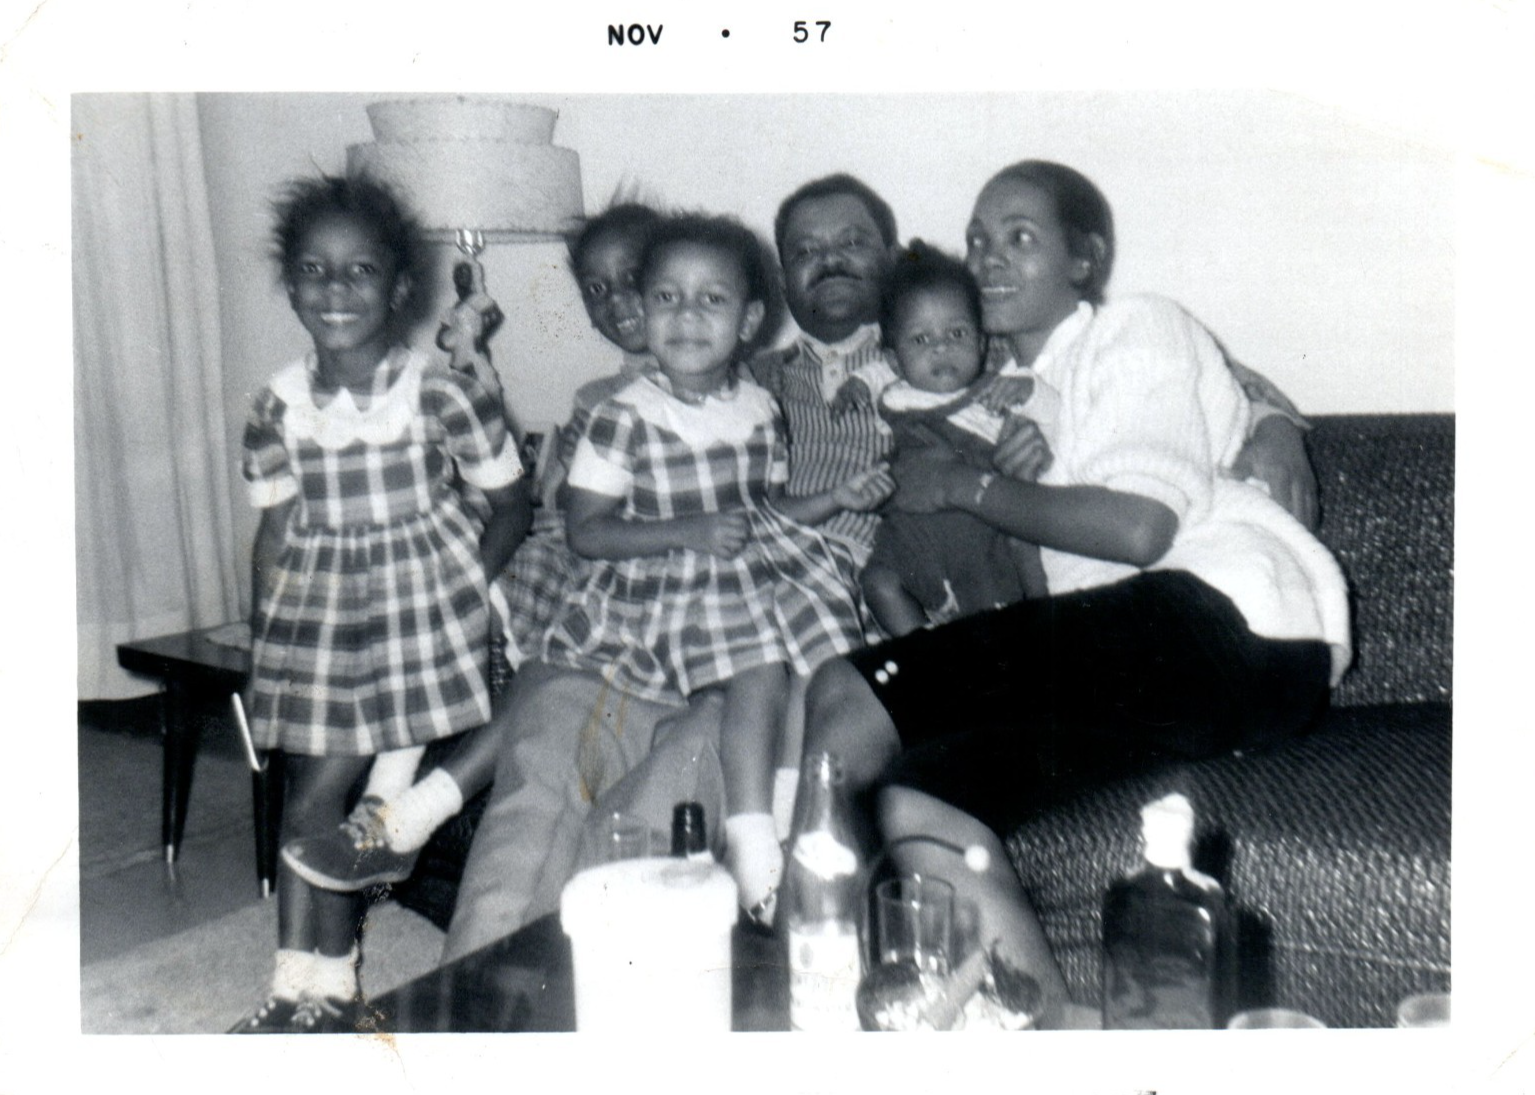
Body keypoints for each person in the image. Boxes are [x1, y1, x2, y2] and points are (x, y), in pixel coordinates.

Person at [796, 161, 1352, 1028]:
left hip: (1219, 616)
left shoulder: (1134, 325)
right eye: (977, 238)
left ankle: (804, 994)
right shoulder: (998, 390)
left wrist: (968, 488)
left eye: (1019, 237)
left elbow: (1137, 528)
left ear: (1084, 260)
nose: (987, 256)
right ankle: (1050, 1033)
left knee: (845, 685)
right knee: (918, 801)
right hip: (1153, 665)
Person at [232, 175, 532, 1033]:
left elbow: (512, 505)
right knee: (308, 794)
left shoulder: (440, 392)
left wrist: (460, 593)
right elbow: (275, 533)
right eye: (313, 270)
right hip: (320, 622)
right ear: (290, 284)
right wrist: (262, 646)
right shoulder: (277, 403)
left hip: (418, 625)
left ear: (400, 287)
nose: (335, 288)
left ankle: (325, 986)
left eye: (359, 269)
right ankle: (300, 986)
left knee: (324, 795)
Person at [534, 212, 892, 917]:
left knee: (818, 667)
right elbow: (586, 533)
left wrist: (836, 497)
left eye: (712, 299)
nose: (688, 316)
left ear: (750, 320)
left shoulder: (759, 407)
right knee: (759, 666)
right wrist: (690, 531)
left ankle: (787, 823)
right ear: (643, 313)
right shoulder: (623, 414)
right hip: (672, 571)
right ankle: (751, 841)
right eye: (667, 298)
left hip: (754, 563)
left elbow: (770, 508)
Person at [855, 241, 1055, 636]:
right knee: (876, 583)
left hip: (976, 538)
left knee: (996, 614)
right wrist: (877, 485)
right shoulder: (897, 399)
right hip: (911, 537)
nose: (942, 347)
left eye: (957, 333)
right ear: (894, 361)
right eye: (921, 340)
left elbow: (1052, 424)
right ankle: (927, 655)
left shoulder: (996, 391)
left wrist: (1030, 392)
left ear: (980, 344)